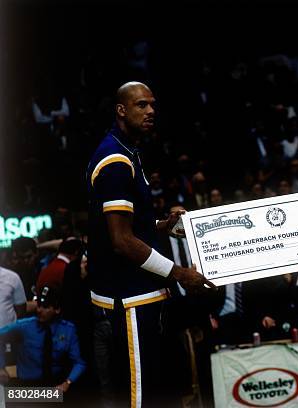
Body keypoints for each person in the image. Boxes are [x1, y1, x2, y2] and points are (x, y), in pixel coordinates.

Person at [86, 81, 215, 407]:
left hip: (139, 297)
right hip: (129, 300)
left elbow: (126, 227)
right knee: (140, 399)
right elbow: (121, 240)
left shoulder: (127, 151)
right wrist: (179, 274)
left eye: (153, 105)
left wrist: (160, 225)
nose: (151, 111)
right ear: (121, 110)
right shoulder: (116, 160)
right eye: (142, 105)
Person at [0, 285, 85, 391]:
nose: (39, 310)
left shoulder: (68, 330)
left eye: (45, 307)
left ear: (57, 309)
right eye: (39, 305)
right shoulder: (24, 326)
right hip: (26, 386)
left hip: (55, 386)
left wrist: (68, 382)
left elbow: (79, 363)